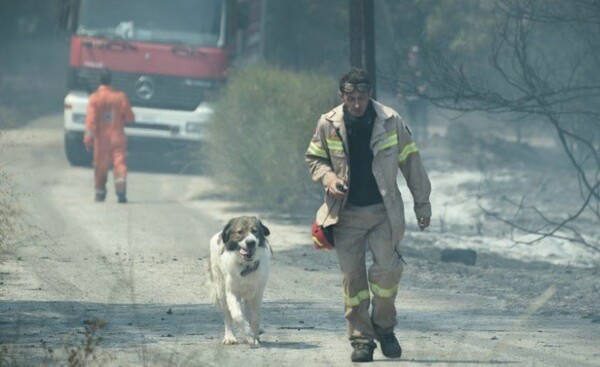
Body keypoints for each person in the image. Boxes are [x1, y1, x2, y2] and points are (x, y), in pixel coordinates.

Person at [305, 67, 432, 362]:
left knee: (387, 273)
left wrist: (422, 204)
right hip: (346, 215)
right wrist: (328, 179)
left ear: (370, 94)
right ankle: (361, 339)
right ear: (342, 97)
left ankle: (385, 330)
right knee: (353, 281)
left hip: (383, 213)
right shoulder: (328, 123)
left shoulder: (391, 121)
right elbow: (314, 157)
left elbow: (411, 162)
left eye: (362, 97)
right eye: (351, 98)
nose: (357, 103)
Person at [84, 68, 134, 203]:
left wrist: (88, 138)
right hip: (118, 137)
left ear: (99, 81)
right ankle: (121, 192)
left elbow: (91, 121)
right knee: (119, 164)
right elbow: (130, 116)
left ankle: (100, 194)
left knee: (100, 166)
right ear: (111, 81)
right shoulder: (120, 97)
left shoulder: (94, 99)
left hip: (101, 140)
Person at [397, 45, 429, 145]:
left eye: (416, 54)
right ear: (409, 54)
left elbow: (428, 80)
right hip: (409, 98)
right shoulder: (405, 67)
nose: (414, 56)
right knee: (412, 120)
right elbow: (401, 81)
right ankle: (414, 140)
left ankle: (424, 140)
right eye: (413, 53)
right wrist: (400, 93)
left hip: (420, 99)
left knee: (423, 119)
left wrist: (423, 88)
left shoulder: (423, 67)